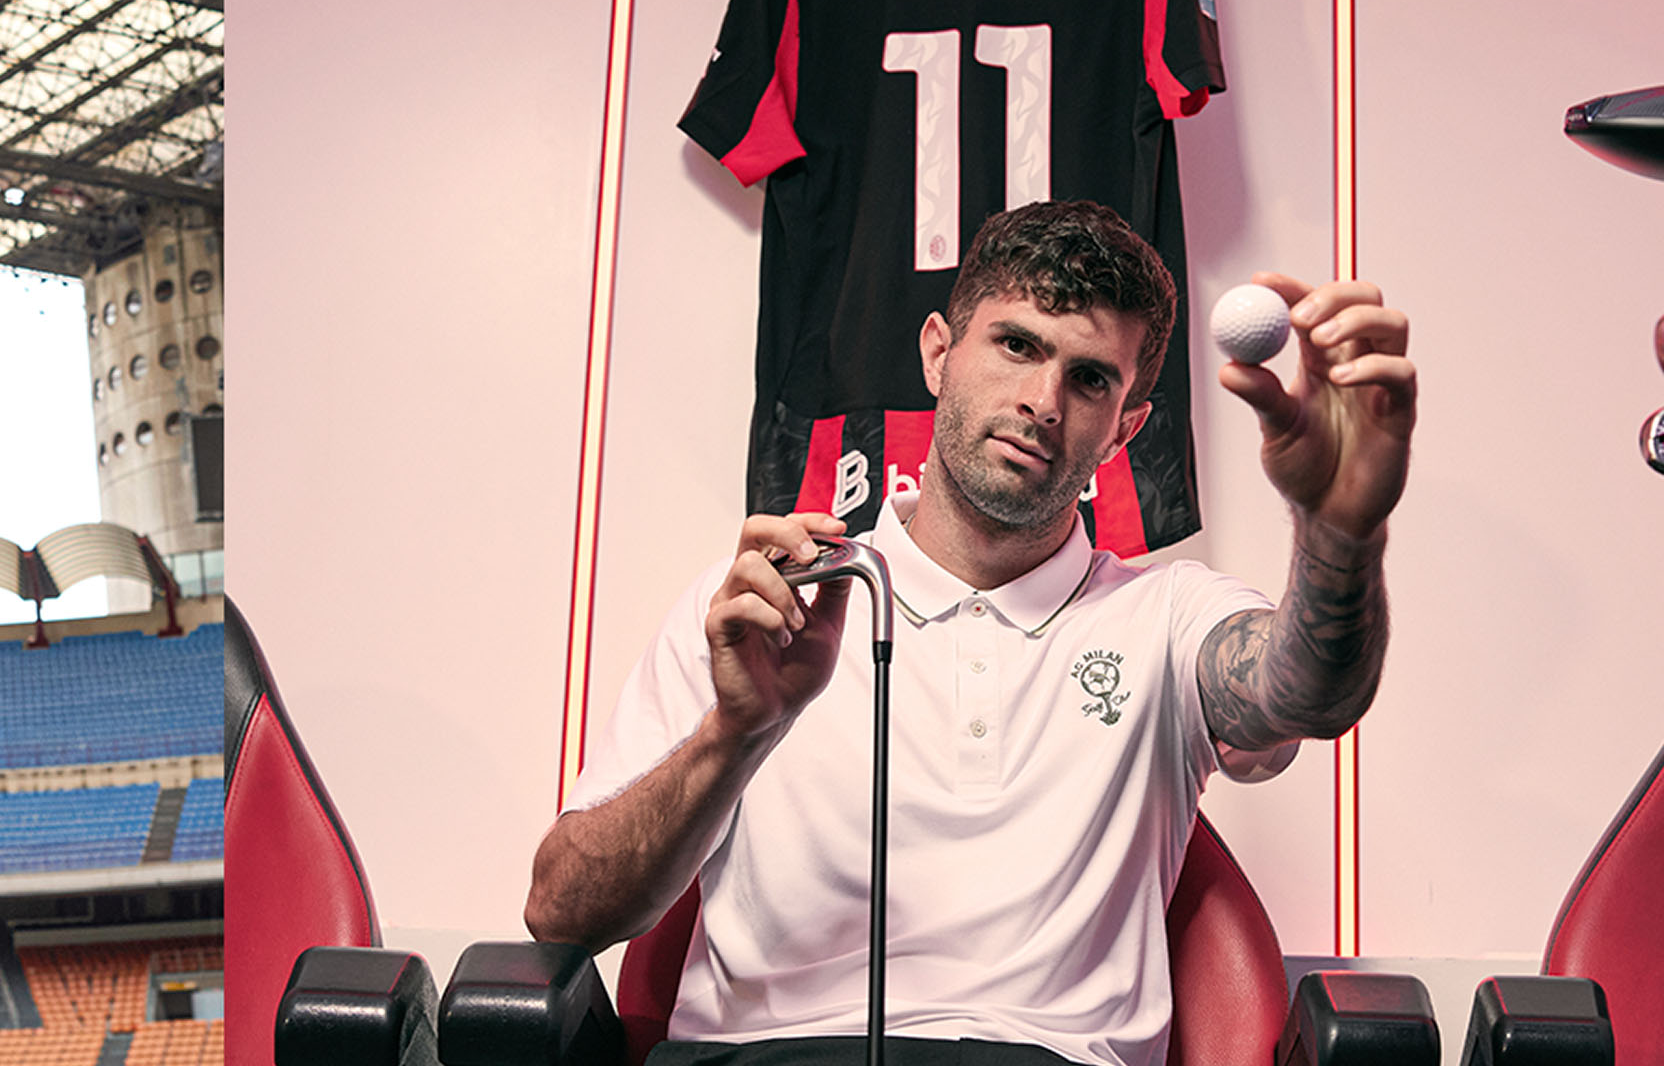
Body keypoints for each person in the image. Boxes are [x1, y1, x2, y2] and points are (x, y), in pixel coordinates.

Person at [526, 200, 1414, 1066]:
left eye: (1090, 378)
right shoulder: (766, 609)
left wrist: (1341, 534)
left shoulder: (1170, 617)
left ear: (1126, 429)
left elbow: (1306, 690)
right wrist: (736, 731)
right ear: (938, 354)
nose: (1042, 400)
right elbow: (561, 916)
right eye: (1017, 345)